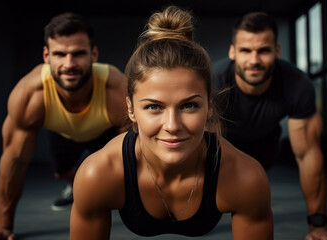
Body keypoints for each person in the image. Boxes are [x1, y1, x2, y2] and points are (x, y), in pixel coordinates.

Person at [70, 5, 273, 240]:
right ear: (131, 109)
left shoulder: (245, 177)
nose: (172, 125)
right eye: (154, 107)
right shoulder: (98, 174)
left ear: (208, 106)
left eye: (189, 106)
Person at [0, 12, 127, 240]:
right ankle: (75, 185)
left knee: (114, 176)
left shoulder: (115, 88)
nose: (69, 64)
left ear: (93, 54)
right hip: (63, 132)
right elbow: (15, 162)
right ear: (46, 56)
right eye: (60, 54)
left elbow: (142, 150)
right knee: (62, 172)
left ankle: (89, 185)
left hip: (106, 132)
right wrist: (2, 225)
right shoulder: (30, 94)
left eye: (78, 54)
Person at [212, 12, 327, 240]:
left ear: (277, 51)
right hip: (223, 145)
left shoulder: (297, 85)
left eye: (264, 50)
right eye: (245, 51)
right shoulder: (214, 84)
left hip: (265, 147)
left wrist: (318, 225)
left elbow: (308, 155)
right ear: (233, 52)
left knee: (255, 189)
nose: (254, 60)